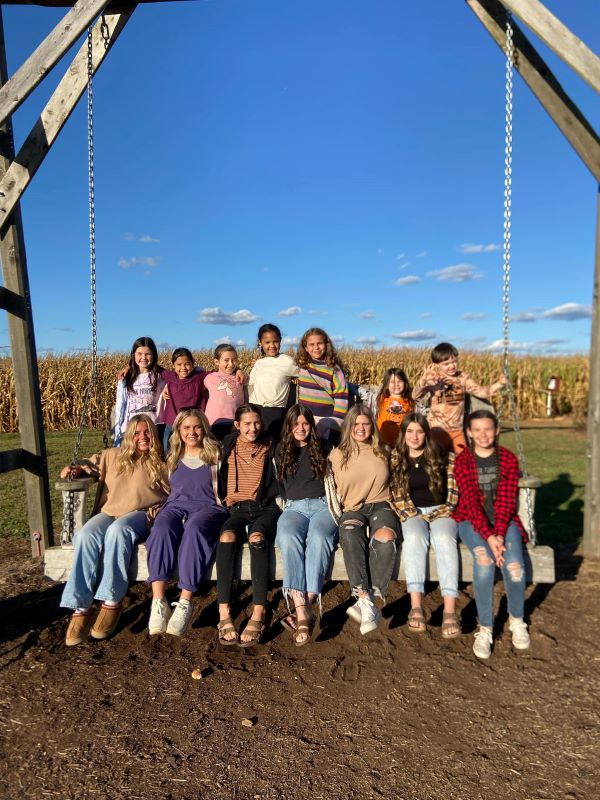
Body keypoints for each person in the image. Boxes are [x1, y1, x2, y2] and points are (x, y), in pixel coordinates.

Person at [60, 415, 167, 645]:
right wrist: (75, 469)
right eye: (136, 433)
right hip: (109, 512)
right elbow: (88, 464)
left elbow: (174, 491)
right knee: (85, 535)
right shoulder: (111, 456)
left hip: (140, 514)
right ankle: (80, 605)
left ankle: (111, 600)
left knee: (118, 531)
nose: (142, 437)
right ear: (128, 436)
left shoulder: (160, 460)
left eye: (147, 432)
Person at [453, 410, 530, 660]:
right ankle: (485, 628)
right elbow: (471, 503)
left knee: (515, 566)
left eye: (488, 429)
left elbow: (506, 502)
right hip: (471, 521)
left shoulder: (507, 459)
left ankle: (517, 620)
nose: (483, 434)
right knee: (484, 561)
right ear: (469, 432)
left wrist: (499, 534)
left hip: (503, 522)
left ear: (496, 431)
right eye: (477, 430)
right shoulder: (464, 461)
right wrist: (489, 537)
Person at [145, 410, 228, 637]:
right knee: (161, 528)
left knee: (194, 529)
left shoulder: (216, 454)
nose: (192, 432)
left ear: (204, 428)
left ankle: (184, 601)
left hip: (208, 507)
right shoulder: (172, 456)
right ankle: (159, 601)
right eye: (186, 428)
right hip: (176, 507)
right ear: (179, 431)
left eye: (197, 427)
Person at [328, 404, 399, 635]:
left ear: (372, 426)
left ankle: (368, 601)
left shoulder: (384, 451)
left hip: (381, 504)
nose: (360, 428)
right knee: (349, 532)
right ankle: (364, 597)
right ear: (349, 427)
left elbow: (399, 481)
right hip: (352, 508)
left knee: (386, 537)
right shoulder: (337, 455)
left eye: (365, 423)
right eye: (356, 424)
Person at [390, 412, 460, 637]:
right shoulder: (396, 458)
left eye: (419, 431)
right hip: (412, 511)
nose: (414, 436)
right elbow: (395, 494)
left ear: (426, 434)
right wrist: (413, 514)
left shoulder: (441, 455)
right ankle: (416, 606)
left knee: (444, 538)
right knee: (414, 538)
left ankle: (450, 610)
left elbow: (454, 487)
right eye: (410, 431)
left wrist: (444, 510)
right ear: (403, 434)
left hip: (441, 510)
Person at [216, 404, 280, 646]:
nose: (252, 428)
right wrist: (223, 495)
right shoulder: (227, 444)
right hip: (237, 509)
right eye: (247, 424)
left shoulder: (271, 445)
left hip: (265, 508)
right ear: (237, 425)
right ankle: (224, 612)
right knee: (226, 537)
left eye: (256, 423)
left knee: (257, 538)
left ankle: (259, 611)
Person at [275, 404, 337, 646]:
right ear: (289, 426)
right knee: (287, 536)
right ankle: (303, 611)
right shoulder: (282, 450)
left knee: (319, 537)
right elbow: (281, 486)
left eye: (305, 423)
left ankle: (304, 608)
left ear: (311, 425)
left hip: (323, 505)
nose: (300, 428)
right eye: (296, 423)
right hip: (295, 507)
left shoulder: (324, 447)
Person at [412, 342, 506, 453]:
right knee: (435, 460)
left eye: (454, 361)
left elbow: (481, 392)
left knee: (464, 459)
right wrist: (423, 381)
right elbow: (415, 396)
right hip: (436, 430)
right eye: (446, 364)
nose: (452, 366)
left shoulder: (462, 378)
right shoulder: (433, 378)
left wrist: (500, 384)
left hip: (457, 431)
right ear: (436, 365)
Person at [296, 327, 348, 442]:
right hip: (304, 418)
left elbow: (341, 398)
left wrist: (335, 423)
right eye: (311, 344)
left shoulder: (334, 369)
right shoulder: (301, 367)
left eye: (320, 343)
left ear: (326, 345)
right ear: (305, 348)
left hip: (327, 419)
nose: (316, 347)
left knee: (324, 448)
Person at [248, 323, 298, 442]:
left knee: (273, 444)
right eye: (267, 342)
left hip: (276, 411)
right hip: (255, 409)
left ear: (280, 341)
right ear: (260, 342)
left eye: (275, 341)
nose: (272, 346)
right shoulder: (258, 363)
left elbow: (305, 377)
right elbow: (250, 386)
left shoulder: (287, 362)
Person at [114, 337, 165, 446]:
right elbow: (120, 405)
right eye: (139, 354)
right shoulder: (126, 377)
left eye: (148, 354)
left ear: (154, 355)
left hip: (153, 429)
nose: (143, 357)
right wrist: (118, 431)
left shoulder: (161, 376)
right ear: (133, 355)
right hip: (131, 428)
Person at [159, 348, 208, 452]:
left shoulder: (200, 377)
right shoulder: (170, 376)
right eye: (179, 364)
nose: (183, 368)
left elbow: (220, 373)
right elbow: (151, 367)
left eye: (187, 364)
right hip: (172, 423)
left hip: (192, 426)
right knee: (167, 451)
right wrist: (129, 367)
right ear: (173, 365)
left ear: (193, 363)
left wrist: (238, 370)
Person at [204, 343, 246, 442]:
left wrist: (239, 370)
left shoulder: (241, 377)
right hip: (214, 423)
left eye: (234, 360)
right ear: (216, 361)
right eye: (226, 360)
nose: (231, 364)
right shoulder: (209, 378)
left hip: (235, 423)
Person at [376, 367, 414, 447]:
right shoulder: (382, 399)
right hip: (383, 443)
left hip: (402, 444)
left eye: (399, 381)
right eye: (392, 382)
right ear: (387, 385)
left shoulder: (409, 401)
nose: (396, 384)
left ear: (405, 383)